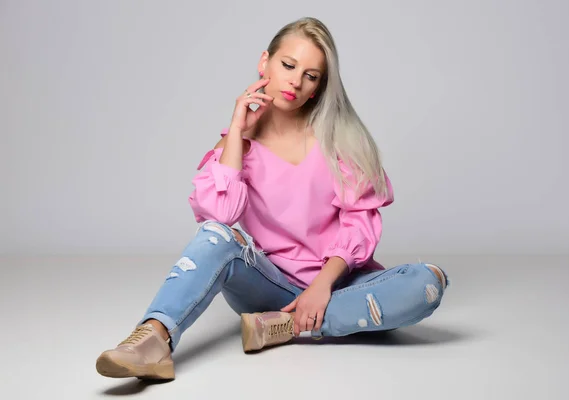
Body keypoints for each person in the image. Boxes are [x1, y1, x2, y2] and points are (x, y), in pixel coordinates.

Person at [95, 16, 449, 381]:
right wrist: (237, 131)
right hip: (265, 285)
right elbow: (219, 215)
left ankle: (288, 325)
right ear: (265, 62)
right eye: (288, 65)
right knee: (217, 237)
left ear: (318, 87)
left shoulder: (339, 141)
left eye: (310, 75)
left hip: (335, 284)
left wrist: (321, 287)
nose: (295, 81)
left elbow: (359, 223)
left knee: (428, 280)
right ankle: (153, 338)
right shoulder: (239, 145)